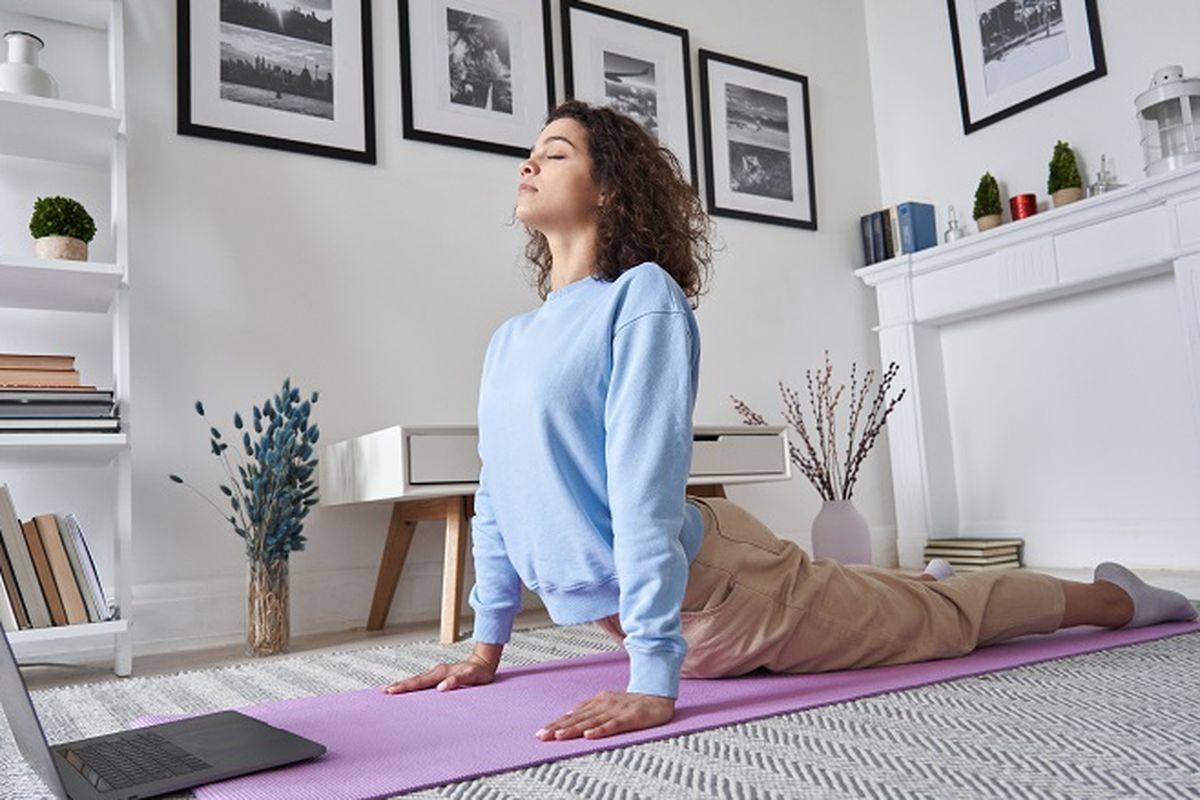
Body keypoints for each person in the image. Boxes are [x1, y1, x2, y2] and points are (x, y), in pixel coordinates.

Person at [383, 100, 1198, 742]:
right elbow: (497, 492)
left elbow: (644, 486)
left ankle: (1115, 600)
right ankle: (912, 581)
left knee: (941, 625)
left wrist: (652, 678)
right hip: (687, 585)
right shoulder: (511, 341)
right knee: (861, 597)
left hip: (729, 595)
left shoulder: (640, 301)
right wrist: (485, 649)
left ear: (610, 189)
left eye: (555, 152)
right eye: (531, 151)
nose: (529, 161)